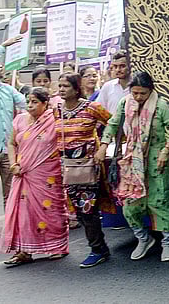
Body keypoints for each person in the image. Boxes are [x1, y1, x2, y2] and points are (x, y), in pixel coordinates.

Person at [98, 71, 169, 262]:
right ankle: (143, 238)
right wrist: (103, 145)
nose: (139, 97)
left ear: (151, 90)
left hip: (157, 161)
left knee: (160, 202)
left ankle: (167, 244)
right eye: (135, 93)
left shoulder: (161, 105)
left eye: (143, 93)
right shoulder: (125, 103)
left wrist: (166, 151)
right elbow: (113, 124)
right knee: (129, 205)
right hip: (133, 161)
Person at [0, 87, 69, 265]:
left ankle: (56, 246)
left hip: (47, 176)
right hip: (22, 173)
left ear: (45, 104)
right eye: (28, 101)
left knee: (50, 209)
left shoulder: (54, 121)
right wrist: (13, 163)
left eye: (35, 102)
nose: (30, 105)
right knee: (22, 212)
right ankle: (24, 251)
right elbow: (11, 143)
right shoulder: (20, 120)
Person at [53, 72, 113, 268]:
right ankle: (101, 247)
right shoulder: (58, 110)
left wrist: (103, 146)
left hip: (88, 168)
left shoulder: (91, 107)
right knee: (79, 212)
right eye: (60, 86)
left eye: (65, 86)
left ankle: (97, 249)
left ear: (76, 88)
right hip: (68, 169)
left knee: (88, 209)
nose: (61, 89)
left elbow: (112, 123)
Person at [0, 55, 26, 210]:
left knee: (11, 192)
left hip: (8, 149)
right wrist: (3, 46)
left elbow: (27, 103)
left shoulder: (9, 89)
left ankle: (11, 228)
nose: (2, 66)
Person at [95, 51, 133, 116]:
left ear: (130, 66)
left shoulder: (138, 86)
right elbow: (99, 110)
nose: (118, 70)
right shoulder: (108, 86)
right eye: (115, 66)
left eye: (122, 66)